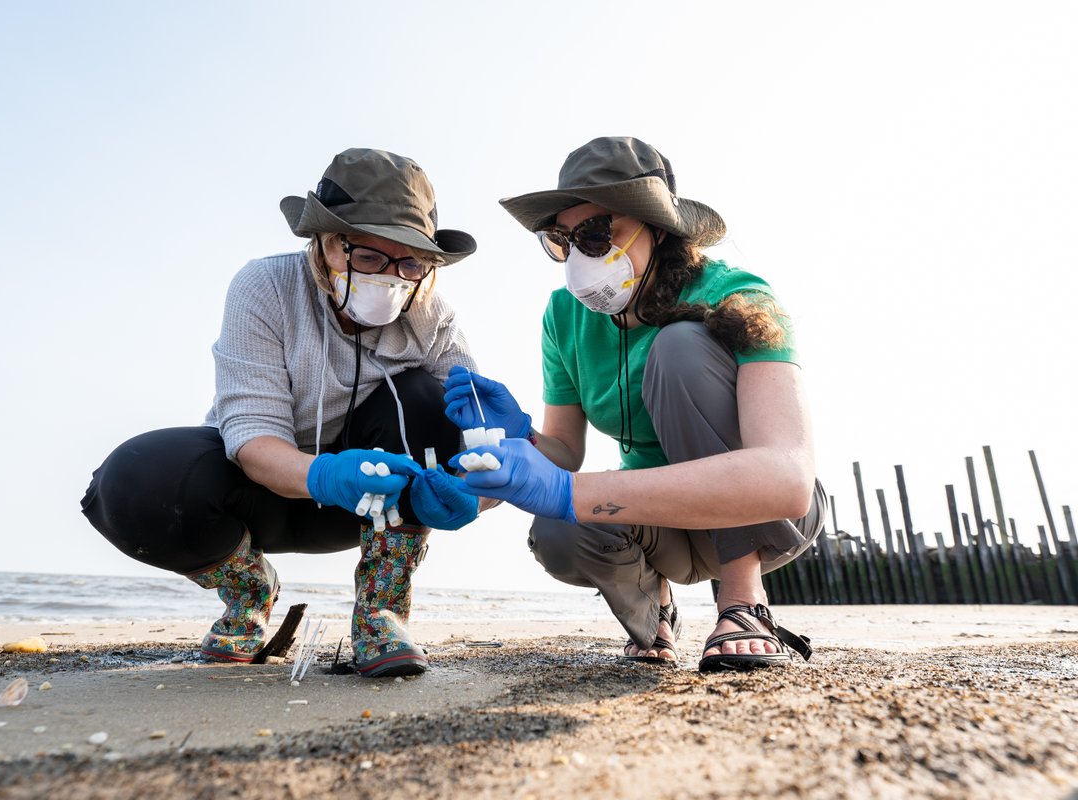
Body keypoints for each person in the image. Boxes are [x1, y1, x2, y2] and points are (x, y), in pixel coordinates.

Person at [81, 148, 483, 677]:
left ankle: (380, 611)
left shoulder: (433, 317)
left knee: (431, 399)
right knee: (134, 476)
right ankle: (248, 594)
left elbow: (480, 435)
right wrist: (325, 473)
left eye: (410, 262)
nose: (390, 278)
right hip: (259, 494)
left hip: (371, 506)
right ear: (326, 243)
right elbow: (251, 435)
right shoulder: (266, 286)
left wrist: (472, 488)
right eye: (367, 256)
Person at [443, 136, 826, 672]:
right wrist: (521, 438)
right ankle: (654, 615)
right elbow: (565, 454)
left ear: (659, 229)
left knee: (680, 344)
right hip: (658, 526)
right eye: (562, 240)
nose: (578, 257)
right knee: (557, 529)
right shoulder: (563, 316)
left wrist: (567, 488)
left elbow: (787, 481)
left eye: (597, 233)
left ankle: (743, 601)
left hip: (765, 520)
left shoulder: (738, 295)